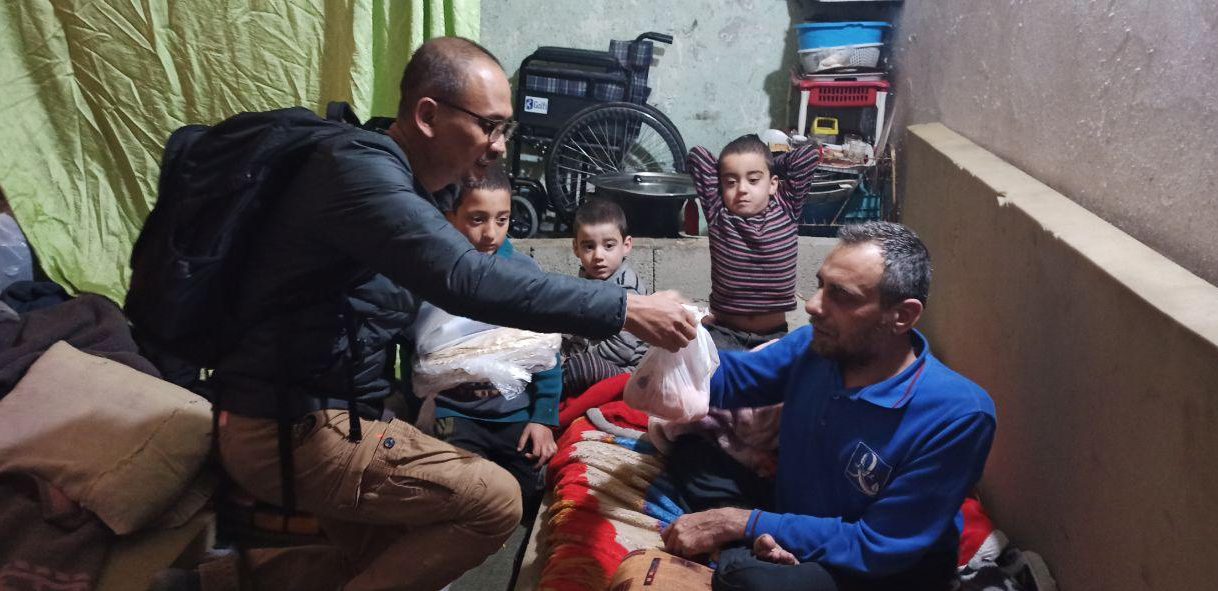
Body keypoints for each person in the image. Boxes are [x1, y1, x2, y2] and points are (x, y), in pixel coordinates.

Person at [166, 37, 696, 591]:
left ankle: (204, 584)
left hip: (321, 412)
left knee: (387, 561)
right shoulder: (360, 175)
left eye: (506, 129)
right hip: (289, 427)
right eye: (489, 126)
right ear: (427, 116)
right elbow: (466, 279)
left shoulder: (404, 184)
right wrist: (624, 306)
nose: (499, 147)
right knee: (495, 501)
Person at [660, 222, 997, 591]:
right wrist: (678, 339)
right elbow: (730, 381)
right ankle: (761, 547)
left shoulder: (958, 414)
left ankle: (752, 551)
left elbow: (877, 545)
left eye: (842, 295)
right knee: (691, 452)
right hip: (800, 516)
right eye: (821, 285)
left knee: (748, 581)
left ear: (901, 316)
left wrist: (740, 522)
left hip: (879, 565)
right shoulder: (817, 346)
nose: (813, 305)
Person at [424, 165, 559, 514]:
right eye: (477, 219)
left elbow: (545, 352)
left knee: (528, 495)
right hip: (455, 411)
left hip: (514, 413)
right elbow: (418, 349)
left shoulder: (524, 275)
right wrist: (416, 406)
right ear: (450, 217)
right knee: (458, 491)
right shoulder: (433, 276)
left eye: (502, 220)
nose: (491, 233)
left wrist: (543, 418)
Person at [686, 134, 821, 352]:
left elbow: (809, 155)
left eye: (754, 179)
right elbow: (696, 156)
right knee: (712, 372)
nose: (742, 189)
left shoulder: (787, 206)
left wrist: (767, 163)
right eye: (731, 182)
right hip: (724, 333)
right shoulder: (717, 210)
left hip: (774, 335)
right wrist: (751, 168)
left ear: (773, 184)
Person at [560, 198, 651, 395]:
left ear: (626, 245)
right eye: (589, 247)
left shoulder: (627, 289)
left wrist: (578, 359)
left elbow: (622, 348)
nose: (598, 256)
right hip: (592, 355)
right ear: (576, 248)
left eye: (608, 246)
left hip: (628, 370)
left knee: (580, 369)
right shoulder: (586, 279)